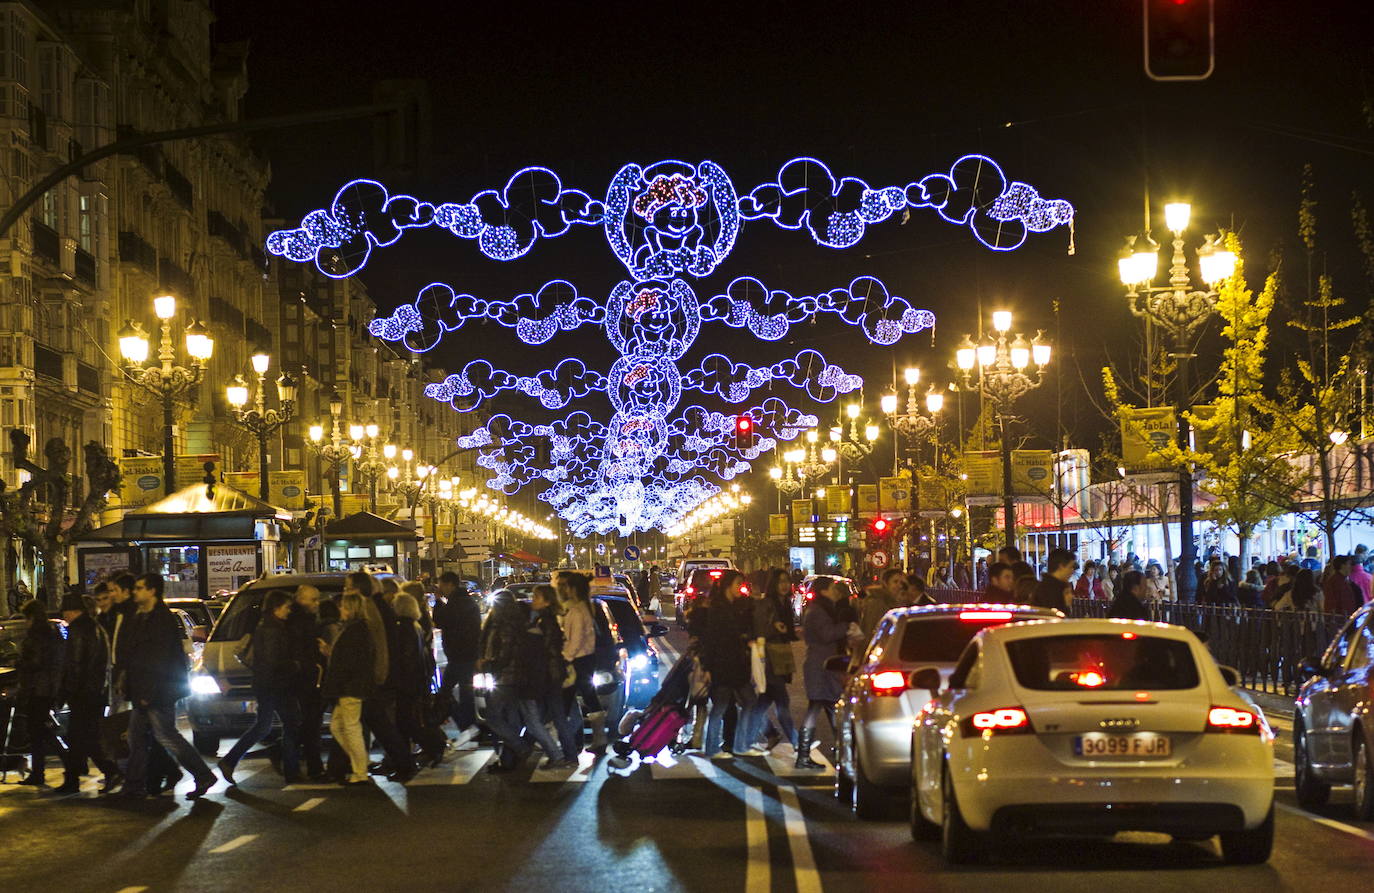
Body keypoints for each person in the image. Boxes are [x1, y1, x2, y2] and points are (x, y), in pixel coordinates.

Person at [119, 573, 217, 800]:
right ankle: (133, 785)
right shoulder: (142, 616)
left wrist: (146, 692)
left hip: (158, 690)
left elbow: (158, 660)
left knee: (166, 735)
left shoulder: (159, 619)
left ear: (152, 591)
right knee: (138, 737)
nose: (135, 591)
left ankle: (202, 774)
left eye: (140, 587)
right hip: (148, 689)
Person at [219, 589, 301, 786]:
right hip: (275, 685)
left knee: (264, 726)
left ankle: (230, 761)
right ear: (276, 608)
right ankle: (290, 769)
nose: (289, 611)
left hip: (267, 684)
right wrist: (294, 665)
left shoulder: (266, 626)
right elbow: (272, 662)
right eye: (286, 607)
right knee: (291, 724)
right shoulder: (273, 630)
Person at [347, 572, 416, 782]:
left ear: (358, 588)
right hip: (378, 675)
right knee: (376, 724)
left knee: (377, 724)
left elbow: (377, 645)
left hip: (374, 677)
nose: (346, 591)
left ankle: (401, 763)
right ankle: (400, 763)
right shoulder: (377, 606)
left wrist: (377, 675)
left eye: (348, 587)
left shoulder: (369, 608)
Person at [56, 590, 121, 794]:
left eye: (66, 610)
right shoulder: (94, 627)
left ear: (73, 611)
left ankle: (109, 772)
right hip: (93, 692)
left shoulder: (79, 630)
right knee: (82, 737)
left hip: (83, 693)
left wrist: (65, 692)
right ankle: (75, 779)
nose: (64, 615)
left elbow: (75, 665)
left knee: (81, 737)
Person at [691, 570, 757, 759]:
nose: (740, 588)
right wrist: (708, 666)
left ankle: (739, 744)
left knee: (748, 701)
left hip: (735, 664)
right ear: (728, 586)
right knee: (721, 706)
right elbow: (713, 640)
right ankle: (714, 747)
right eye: (738, 584)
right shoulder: (719, 609)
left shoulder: (733, 606)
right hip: (723, 664)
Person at [797, 576, 854, 770]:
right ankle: (806, 754)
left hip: (825, 664)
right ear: (823, 591)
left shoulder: (820, 609)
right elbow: (827, 634)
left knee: (830, 707)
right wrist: (846, 627)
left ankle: (839, 752)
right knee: (821, 707)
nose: (834, 592)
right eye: (831, 588)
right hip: (821, 665)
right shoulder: (818, 611)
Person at [322, 593, 376, 785]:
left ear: (351, 609)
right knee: (338, 726)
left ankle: (360, 770)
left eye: (344, 607)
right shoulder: (356, 629)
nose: (340, 610)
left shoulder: (355, 631)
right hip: (349, 686)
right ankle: (360, 762)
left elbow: (350, 662)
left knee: (350, 728)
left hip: (349, 687)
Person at [746, 568, 798, 752]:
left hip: (780, 656)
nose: (785, 585)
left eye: (787, 581)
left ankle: (757, 737)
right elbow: (760, 630)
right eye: (780, 581)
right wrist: (776, 628)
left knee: (760, 704)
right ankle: (798, 743)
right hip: (770, 658)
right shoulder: (768, 603)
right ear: (773, 584)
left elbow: (788, 632)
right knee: (782, 703)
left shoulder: (784, 603)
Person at [392, 592, 447, 767]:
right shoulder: (414, 626)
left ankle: (432, 747)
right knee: (410, 721)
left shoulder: (404, 628)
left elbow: (405, 657)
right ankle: (431, 747)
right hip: (416, 680)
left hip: (407, 682)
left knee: (408, 721)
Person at [16, 599, 65, 786]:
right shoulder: (52, 633)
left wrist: (20, 663)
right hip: (47, 688)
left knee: (38, 731)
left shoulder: (37, 636)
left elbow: (35, 662)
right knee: (41, 730)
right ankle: (45, 769)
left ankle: (42, 771)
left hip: (37, 689)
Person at [530, 585, 579, 766]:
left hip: (550, 675)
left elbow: (547, 650)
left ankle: (566, 755)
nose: (533, 600)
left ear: (547, 601)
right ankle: (567, 754)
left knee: (556, 717)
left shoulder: (546, 621)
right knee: (552, 716)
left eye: (536, 597)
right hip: (552, 674)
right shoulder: (545, 619)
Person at [432, 571, 482, 739]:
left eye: (441, 585)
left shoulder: (456, 603)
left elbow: (439, 619)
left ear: (449, 584)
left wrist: (438, 601)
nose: (440, 589)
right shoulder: (466, 601)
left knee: (447, 693)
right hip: (467, 654)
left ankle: (467, 726)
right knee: (464, 693)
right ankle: (468, 727)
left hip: (459, 655)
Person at [556, 572, 603, 747]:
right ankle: (595, 739)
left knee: (566, 701)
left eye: (565, 586)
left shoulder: (577, 610)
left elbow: (575, 640)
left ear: (573, 589)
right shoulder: (583, 607)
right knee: (586, 698)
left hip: (577, 660)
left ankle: (561, 741)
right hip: (584, 659)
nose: (562, 589)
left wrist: (565, 658)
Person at [287, 584, 328, 781]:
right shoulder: (300, 623)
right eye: (314, 600)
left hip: (305, 679)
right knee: (309, 726)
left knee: (307, 726)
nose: (317, 604)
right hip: (304, 681)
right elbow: (302, 653)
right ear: (301, 599)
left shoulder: (302, 620)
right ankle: (313, 767)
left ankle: (304, 764)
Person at [858, 568, 911, 641]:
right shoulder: (877, 603)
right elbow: (870, 632)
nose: (899, 586)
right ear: (886, 583)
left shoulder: (899, 603)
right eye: (895, 582)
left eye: (901, 583)